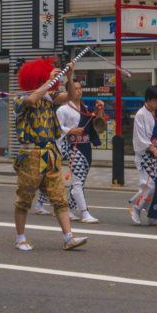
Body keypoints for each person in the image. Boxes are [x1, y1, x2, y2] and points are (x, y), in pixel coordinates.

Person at [12, 57, 89, 252]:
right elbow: (31, 99)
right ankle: (20, 238)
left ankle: (68, 237)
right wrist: (49, 81)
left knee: (59, 197)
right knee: (24, 199)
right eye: (43, 78)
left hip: (50, 153)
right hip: (30, 153)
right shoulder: (20, 98)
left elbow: (71, 97)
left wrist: (69, 77)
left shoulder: (50, 99)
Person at [56, 80, 105, 224]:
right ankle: (85, 212)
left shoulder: (86, 108)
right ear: (69, 92)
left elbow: (97, 125)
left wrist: (100, 110)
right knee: (77, 182)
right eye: (75, 89)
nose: (78, 91)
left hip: (86, 146)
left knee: (81, 181)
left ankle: (68, 209)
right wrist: (71, 130)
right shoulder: (62, 109)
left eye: (79, 88)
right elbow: (57, 128)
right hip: (74, 147)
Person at [128, 85, 157, 227]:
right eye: (155, 101)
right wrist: (152, 149)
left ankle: (154, 216)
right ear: (148, 99)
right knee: (149, 185)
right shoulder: (141, 114)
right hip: (146, 154)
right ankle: (136, 205)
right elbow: (140, 137)